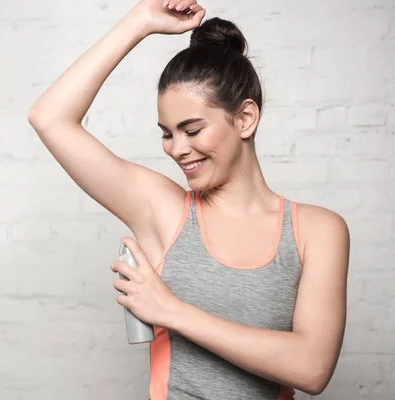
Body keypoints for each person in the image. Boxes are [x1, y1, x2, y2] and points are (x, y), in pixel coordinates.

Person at [28, 0, 350, 399]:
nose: (177, 149)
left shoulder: (317, 231)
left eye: (192, 130)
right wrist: (139, 22)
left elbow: (312, 367)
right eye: (167, 133)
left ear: (245, 119)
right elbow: (50, 118)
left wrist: (172, 311)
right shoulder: (164, 212)